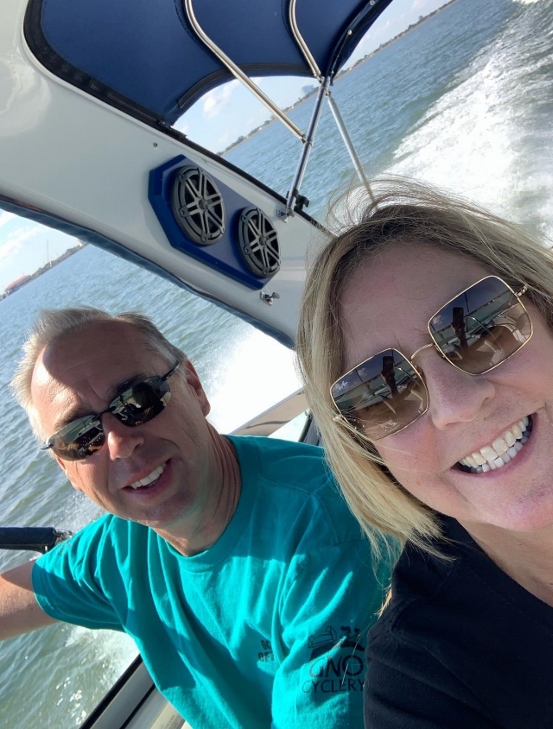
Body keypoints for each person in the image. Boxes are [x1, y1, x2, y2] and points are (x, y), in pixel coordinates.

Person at [297, 178, 553, 728]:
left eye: (478, 325)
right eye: (382, 391)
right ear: (372, 452)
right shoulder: (421, 686)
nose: (456, 405)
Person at [0, 307, 387, 729]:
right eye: (81, 436)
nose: (119, 444)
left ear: (194, 386)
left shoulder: (328, 528)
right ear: (66, 468)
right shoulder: (117, 551)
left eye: (138, 400)